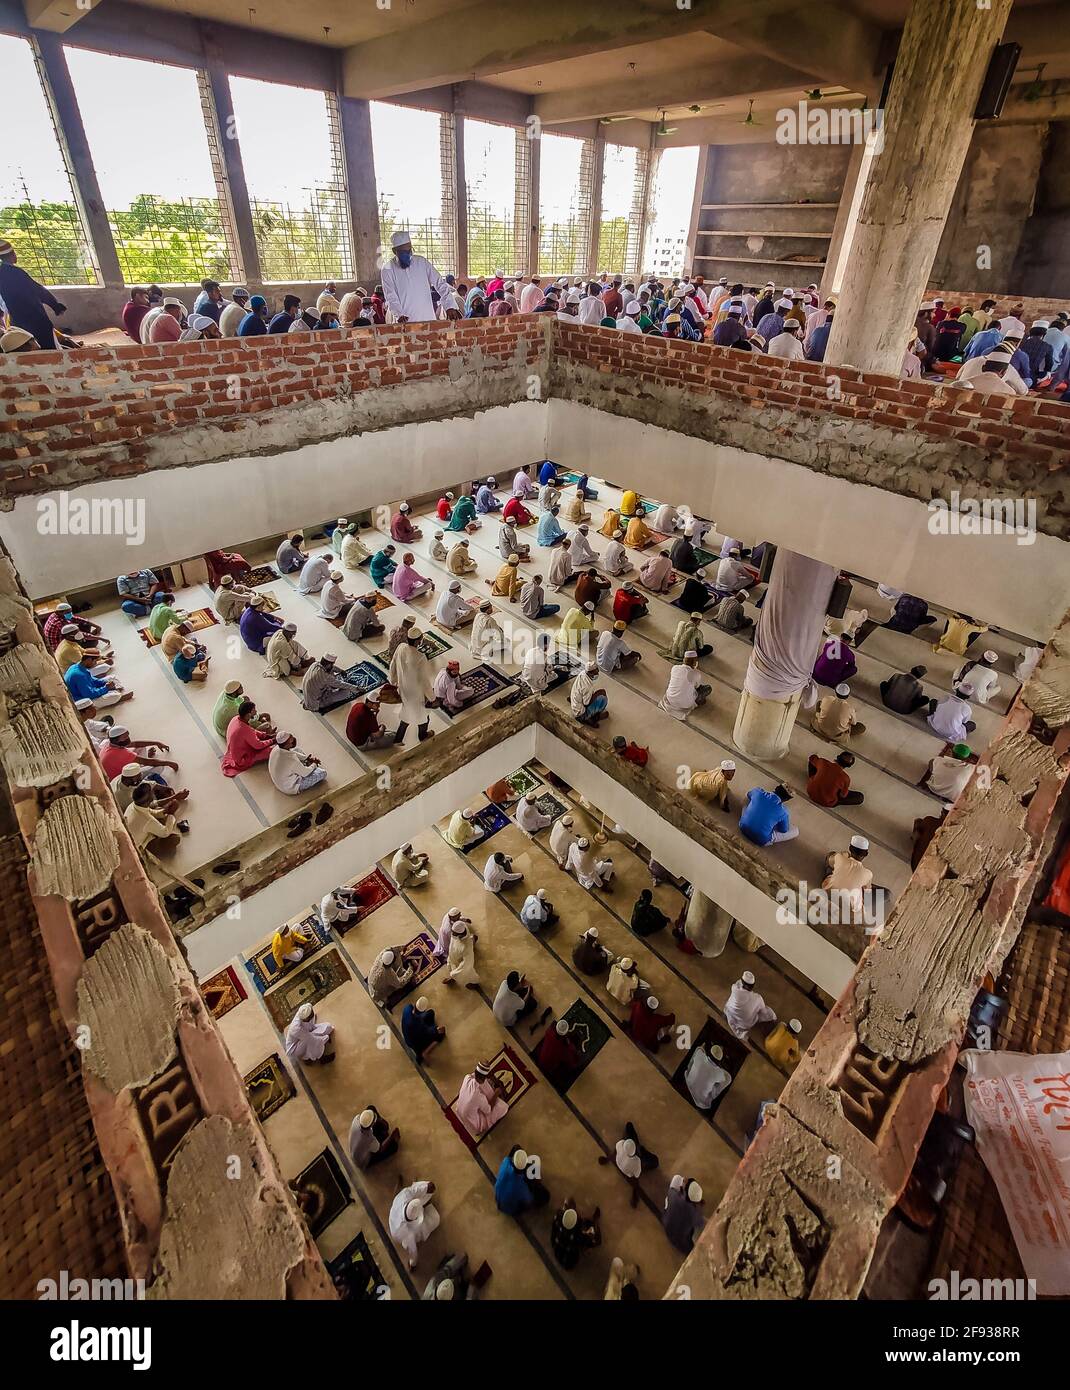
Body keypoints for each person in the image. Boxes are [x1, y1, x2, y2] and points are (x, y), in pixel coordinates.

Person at [0, 237, 67, 348]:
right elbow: (38, 290)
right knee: (50, 349)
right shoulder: (17, 273)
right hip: (36, 319)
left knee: (25, 349)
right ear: (12, 255)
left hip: (17, 323)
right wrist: (56, 306)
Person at [381, 230, 452, 322]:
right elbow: (390, 296)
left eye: (409, 251)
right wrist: (399, 315)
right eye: (403, 252)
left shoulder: (422, 262)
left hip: (428, 318)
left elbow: (440, 284)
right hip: (405, 322)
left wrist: (449, 305)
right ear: (394, 251)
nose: (408, 255)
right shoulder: (387, 269)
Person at [388, 629, 435, 745]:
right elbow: (424, 681)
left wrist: (393, 680)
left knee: (406, 713)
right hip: (416, 693)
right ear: (418, 641)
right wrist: (432, 698)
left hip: (403, 689)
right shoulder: (420, 657)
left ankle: (398, 739)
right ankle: (422, 736)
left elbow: (392, 664)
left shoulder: (401, 647)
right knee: (423, 716)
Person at [389, 1180, 440, 1269]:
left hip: (395, 1211)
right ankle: (426, 1206)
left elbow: (413, 1190)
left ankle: (424, 1200)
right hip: (399, 1233)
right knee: (435, 1219)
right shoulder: (407, 1234)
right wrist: (413, 1264)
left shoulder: (404, 1196)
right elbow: (413, 1251)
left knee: (425, 1187)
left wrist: (426, 1188)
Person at [124, 783, 184, 853]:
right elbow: (165, 832)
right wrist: (171, 815)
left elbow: (149, 811)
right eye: (151, 792)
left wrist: (164, 811)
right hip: (137, 846)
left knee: (159, 813)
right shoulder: (147, 820)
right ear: (150, 799)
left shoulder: (133, 805)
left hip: (132, 835)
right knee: (175, 839)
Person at [823, 835, 874, 918]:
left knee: (831, 858)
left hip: (827, 891)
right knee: (885, 893)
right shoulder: (868, 874)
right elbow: (868, 892)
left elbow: (830, 860)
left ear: (850, 848)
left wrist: (844, 855)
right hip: (848, 906)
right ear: (866, 854)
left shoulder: (839, 857)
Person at [222, 700, 275, 776]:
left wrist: (265, 735)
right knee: (271, 750)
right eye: (254, 710)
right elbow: (258, 745)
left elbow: (251, 730)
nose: (256, 711)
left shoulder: (236, 718)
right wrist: (272, 740)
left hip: (235, 751)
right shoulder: (243, 729)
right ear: (248, 715)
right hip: (241, 759)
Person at [269, 731, 327, 795]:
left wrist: (306, 758)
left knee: (297, 750)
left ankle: (304, 764)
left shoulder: (276, 748)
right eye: (291, 741)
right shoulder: (291, 761)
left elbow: (292, 753)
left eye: (292, 737)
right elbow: (305, 773)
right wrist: (314, 764)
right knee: (322, 773)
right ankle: (305, 766)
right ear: (286, 745)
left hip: (278, 779)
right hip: (288, 787)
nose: (294, 739)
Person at [64, 654, 132, 708]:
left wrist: (105, 683)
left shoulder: (78, 667)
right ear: (89, 660)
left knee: (112, 677)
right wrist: (106, 688)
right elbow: (90, 695)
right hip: (81, 700)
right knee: (114, 697)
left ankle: (115, 690)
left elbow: (93, 680)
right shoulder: (79, 675)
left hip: (88, 691)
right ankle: (118, 697)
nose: (95, 664)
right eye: (95, 661)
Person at [659, 651, 711, 721]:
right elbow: (697, 687)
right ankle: (698, 701)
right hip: (685, 704)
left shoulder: (675, 668)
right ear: (695, 662)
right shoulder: (695, 673)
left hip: (670, 699)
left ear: (684, 660)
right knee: (707, 688)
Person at [725, 970, 776, 1039]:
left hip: (732, 1014)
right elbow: (763, 1011)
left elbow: (739, 983)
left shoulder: (734, 988)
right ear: (752, 987)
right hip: (747, 1024)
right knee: (767, 1012)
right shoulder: (757, 998)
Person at [348, 1105, 400, 1169]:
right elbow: (380, 1149)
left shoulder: (356, 1119)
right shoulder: (369, 1138)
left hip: (355, 1151)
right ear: (372, 1125)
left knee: (371, 1107)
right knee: (394, 1146)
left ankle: (382, 1132)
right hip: (363, 1162)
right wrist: (392, 1136)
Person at [663, 1175, 705, 1254]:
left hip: (667, 1225)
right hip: (678, 1238)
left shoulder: (672, 1193)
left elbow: (677, 1180)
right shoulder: (694, 1213)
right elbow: (701, 1223)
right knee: (692, 1247)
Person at [685, 1040, 731, 1110]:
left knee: (695, 1061)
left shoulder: (700, 1054)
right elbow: (727, 1078)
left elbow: (700, 1048)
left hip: (687, 1084)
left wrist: (703, 1048)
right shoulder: (719, 1073)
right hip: (700, 1102)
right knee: (726, 1079)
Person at [402, 996, 445, 1061]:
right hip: (415, 1042)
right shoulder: (418, 1024)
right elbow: (427, 1032)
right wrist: (437, 1030)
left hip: (408, 1035)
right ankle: (424, 1052)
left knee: (431, 1013)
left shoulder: (407, 1008)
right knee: (441, 1034)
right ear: (423, 1011)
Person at [444, 918, 478, 987]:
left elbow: (466, 965)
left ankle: (474, 983)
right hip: (453, 955)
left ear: (460, 934)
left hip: (459, 960)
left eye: (454, 933)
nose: (452, 934)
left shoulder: (466, 948)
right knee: (450, 965)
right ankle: (453, 977)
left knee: (468, 975)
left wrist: (453, 974)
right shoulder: (462, 928)